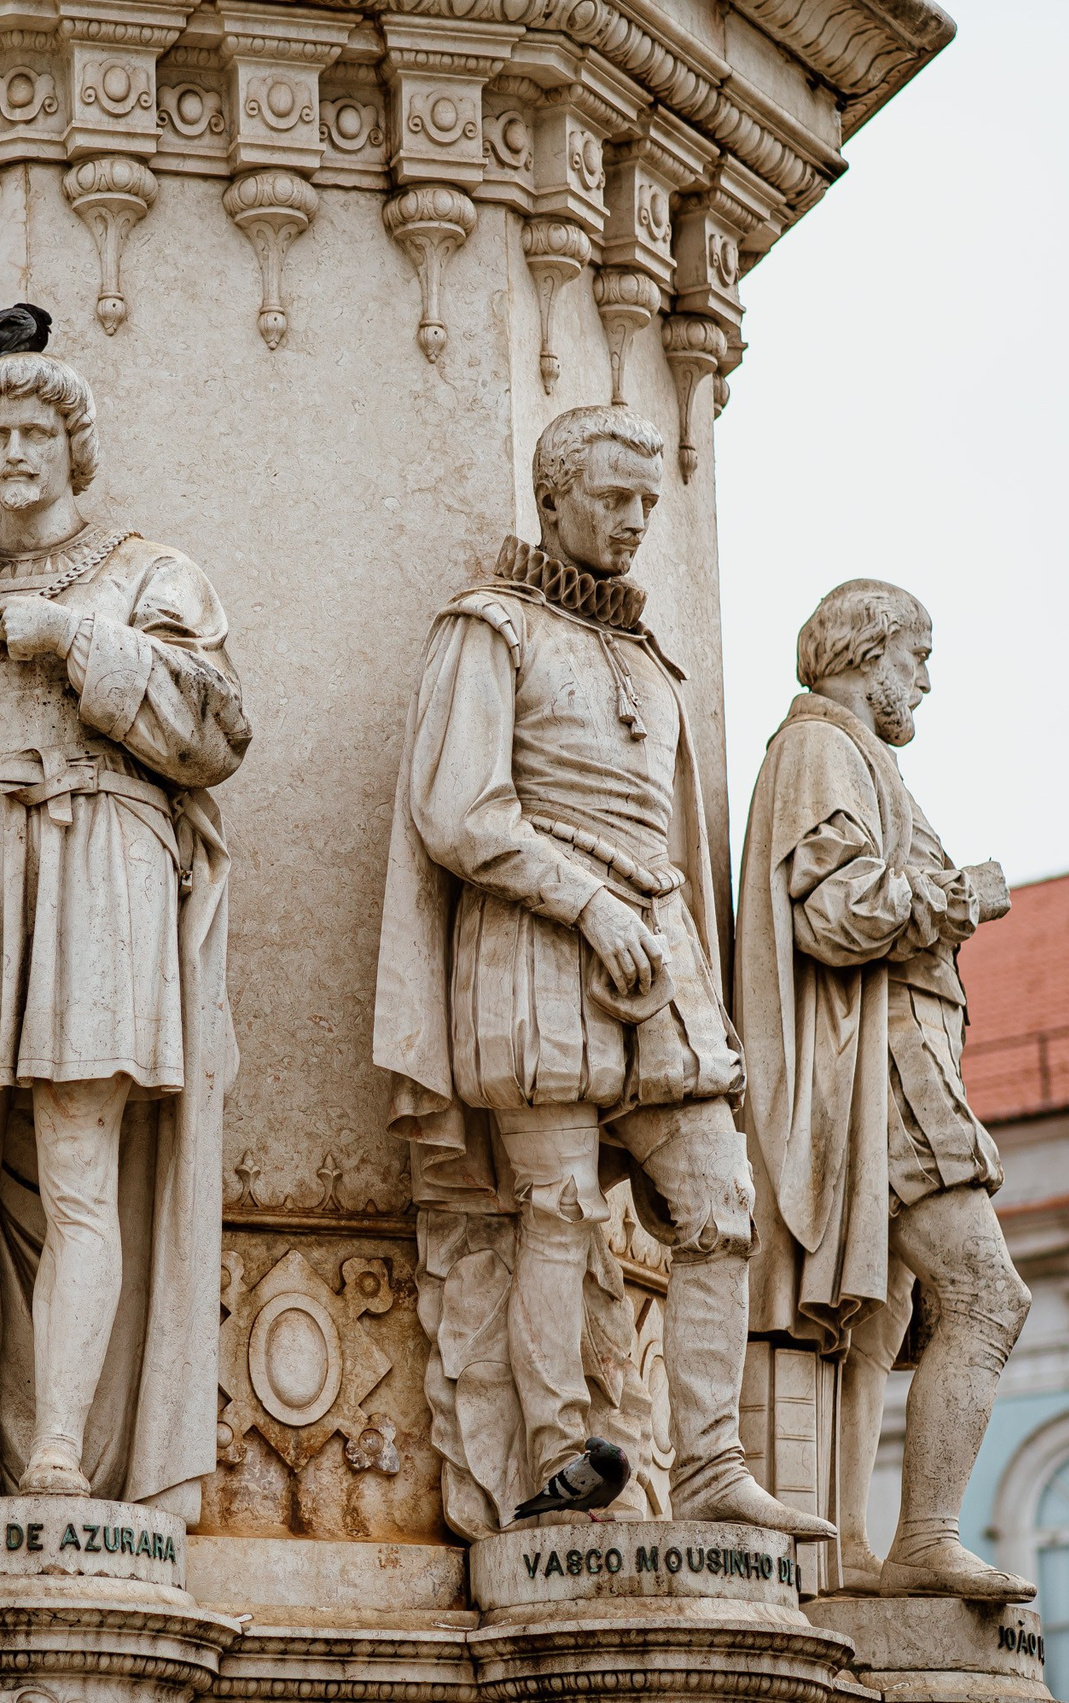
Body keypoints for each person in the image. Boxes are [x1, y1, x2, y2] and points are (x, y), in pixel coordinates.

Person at [374, 405, 831, 1539]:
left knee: (721, 1201)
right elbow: (456, 807)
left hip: (656, 956)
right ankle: (556, 1456)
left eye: (645, 502)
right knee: (558, 1206)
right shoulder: (489, 629)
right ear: (553, 499)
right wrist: (582, 901)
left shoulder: (642, 651)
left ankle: (713, 1462)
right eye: (612, 498)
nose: (633, 521)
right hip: (536, 948)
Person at [0, 353, 251, 1510]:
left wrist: (80, 643)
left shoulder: (149, 576)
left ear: (72, 445)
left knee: (82, 1175)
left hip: (101, 872)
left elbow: (219, 728)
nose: (17, 454)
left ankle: (63, 1449)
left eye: (36, 432)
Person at [735, 579, 1033, 1599]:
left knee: (874, 1313)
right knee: (987, 1294)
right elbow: (831, 911)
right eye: (916, 656)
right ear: (866, 655)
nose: (925, 679)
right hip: (884, 1059)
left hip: (894, 1058)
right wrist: (961, 897)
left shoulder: (855, 758)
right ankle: (922, 1536)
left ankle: (851, 1548)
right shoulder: (823, 745)